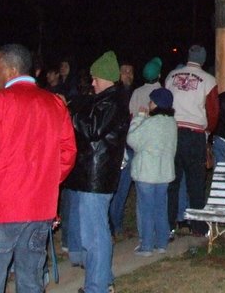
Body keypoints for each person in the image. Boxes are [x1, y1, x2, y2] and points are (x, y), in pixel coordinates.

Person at [0, 44, 77, 293]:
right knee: (30, 281)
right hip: (40, 207)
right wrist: (45, 181)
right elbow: (68, 153)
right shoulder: (54, 103)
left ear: (11, 69)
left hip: (1, 208)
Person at [63, 50, 129, 293]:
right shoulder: (105, 99)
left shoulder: (113, 101)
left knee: (95, 235)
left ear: (107, 77)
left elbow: (92, 129)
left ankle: (97, 287)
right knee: (92, 233)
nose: (92, 83)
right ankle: (101, 280)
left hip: (97, 177)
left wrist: (70, 115)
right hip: (91, 176)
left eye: (96, 78)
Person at [164, 44, 218, 237]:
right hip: (195, 135)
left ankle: (168, 226)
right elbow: (213, 112)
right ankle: (198, 227)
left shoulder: (171, 76)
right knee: (196, 183)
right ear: (203, 59)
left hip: (173, 132)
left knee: (172, 182)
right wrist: (207, 132)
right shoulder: (209, 80)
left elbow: (164, 102)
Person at [127, 87, 177, 255]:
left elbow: (132, 139)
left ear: (156, 103)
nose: (149, 103)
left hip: (147, 171)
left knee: (146, 208)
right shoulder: (171, 123)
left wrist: (138, 118)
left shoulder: (150, 122)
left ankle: (146, 245)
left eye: (151, 101)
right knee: (160, 207)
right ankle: (161, 242)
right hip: (163, 172)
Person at [108, 60, 138, 236]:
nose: (128, 74)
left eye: (131, 71)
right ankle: (111, 223)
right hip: (117, 147)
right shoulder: (115, 94)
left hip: (131, 146)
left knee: (124, 188)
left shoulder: (136, 93)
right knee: (114, 186)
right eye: (125, 71)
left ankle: (116, 222)